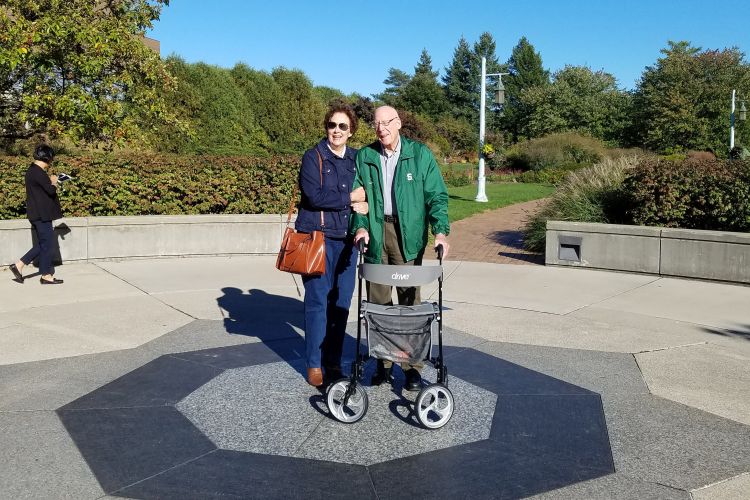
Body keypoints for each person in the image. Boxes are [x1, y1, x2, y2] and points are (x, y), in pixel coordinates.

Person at [351, 105, 450, 392]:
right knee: (378, 304)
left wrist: (441, 231)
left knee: (409, 305)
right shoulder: (366, 156)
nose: (381, 128)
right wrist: (360, 226)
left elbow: (437, 197)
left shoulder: (420, 155)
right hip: (377, 233)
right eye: (376, 124)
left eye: (387, 122)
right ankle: (383, 364)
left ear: (399, 123)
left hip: (407, 235)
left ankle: (411, 367)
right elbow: (359, 199)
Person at [297, 103, 368, 388]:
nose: (336, 131)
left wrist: (364, 210)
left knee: (341, 303)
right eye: (332, 125)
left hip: (348, 240)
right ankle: (314, 363)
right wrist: (351, 198)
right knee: (317, 302)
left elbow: (369, 192)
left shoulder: (357, 159)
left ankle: (334, 361)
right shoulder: (313, 157)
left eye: (342, 126)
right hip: (318, 238)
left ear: (351, 131)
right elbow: (314, 196)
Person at [9, 144, 64, 285]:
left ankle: (19, 265)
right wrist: (54, 182)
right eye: (51, 159)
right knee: (47, 244)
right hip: (41, 214)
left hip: (37, 213)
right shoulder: (38, 172)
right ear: (47, 158)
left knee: (43, 243)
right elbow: (50, 191)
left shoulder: (32, 171)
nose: (50, 162)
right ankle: (45, 275)